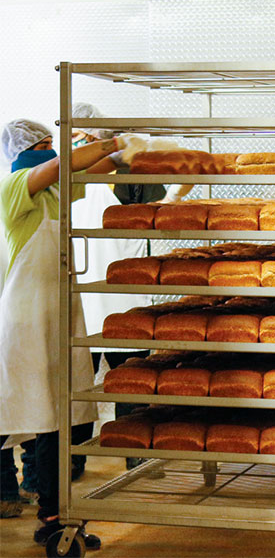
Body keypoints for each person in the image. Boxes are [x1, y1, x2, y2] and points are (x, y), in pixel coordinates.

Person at [0, 118, 134, 548]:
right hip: (27, 318)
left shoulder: (56, 191)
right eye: (44, 143)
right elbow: (58, 166)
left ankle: (55, 516)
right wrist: (112, 141)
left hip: (58, 314)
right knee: (24, 413)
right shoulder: (16, 187)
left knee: (56, 421)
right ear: (26, 149)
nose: (50, 149)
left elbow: (88, 171)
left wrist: (120, 154)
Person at [69, 102, 166, 476]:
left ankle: (130, 455)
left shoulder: (126, 168)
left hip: (121, 293)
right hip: (90, 294)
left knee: (130, 383)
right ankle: (76, 460)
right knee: (84, 390)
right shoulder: (64, 169)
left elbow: (158, 207)